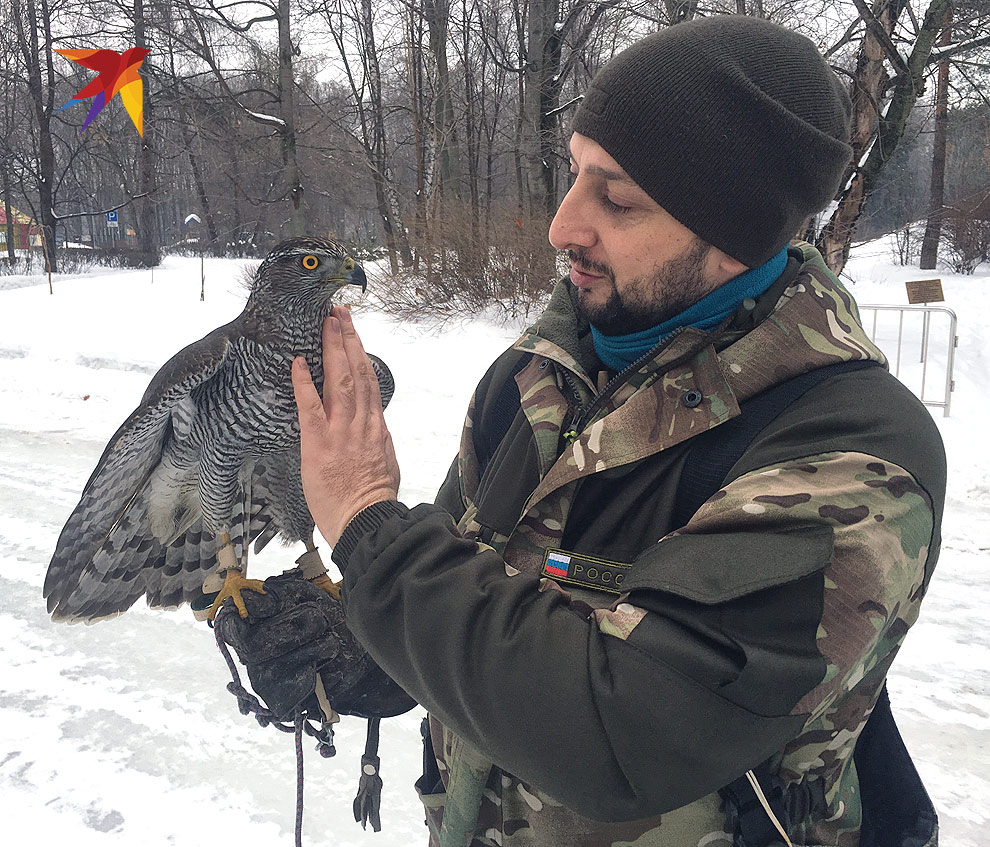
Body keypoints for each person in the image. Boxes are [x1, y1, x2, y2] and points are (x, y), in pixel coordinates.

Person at [289, 15, 946, 847]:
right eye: (574, 173)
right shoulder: (537, 377)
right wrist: (359, 653)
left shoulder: (853, 455)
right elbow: (465, 596)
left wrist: (369, 527)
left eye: (618, 197)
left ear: (736, 233)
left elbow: (621, 738)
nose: (564, 224)